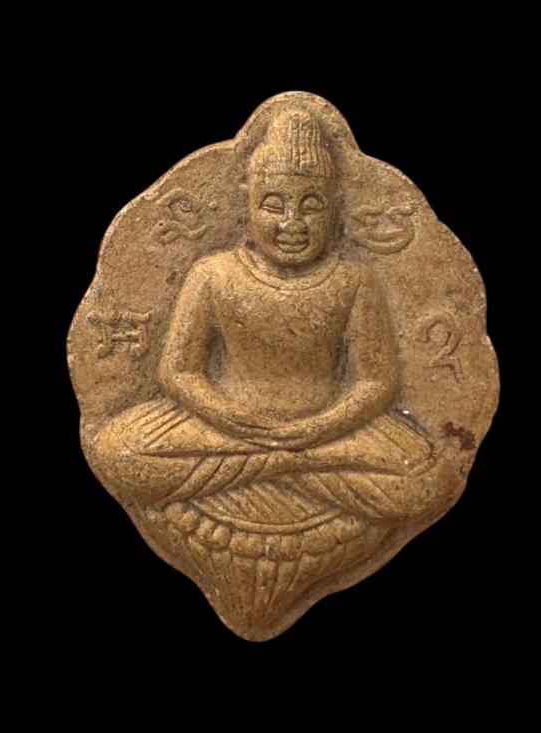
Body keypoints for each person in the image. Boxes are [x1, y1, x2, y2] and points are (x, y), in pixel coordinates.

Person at [92, 110, 450, 565]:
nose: (292, 223)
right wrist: (230, 418)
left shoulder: (352, 280)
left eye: (312, 205)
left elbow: (376, 381)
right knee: (120, 451)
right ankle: (293, 465)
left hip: (324, 429)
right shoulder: (212, 274)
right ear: (248, 203)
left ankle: (276, 464)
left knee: (423, 477)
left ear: (335, 206)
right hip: (229, 429)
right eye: (273, 205)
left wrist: (317, 428)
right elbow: (178, 371)